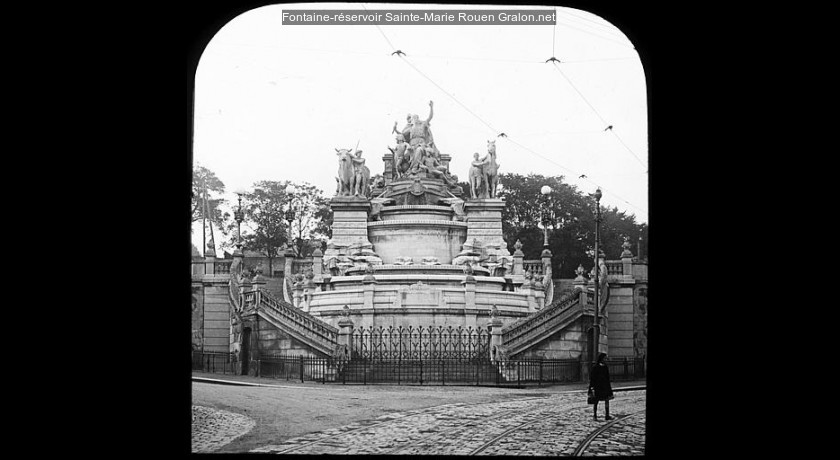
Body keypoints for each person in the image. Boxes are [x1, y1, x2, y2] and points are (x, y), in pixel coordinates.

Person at [588, 352, 614, 420]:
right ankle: (595, 415)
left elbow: (607, 377)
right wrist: (591, 387)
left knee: (607, 400)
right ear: (601, 358)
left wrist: (609, 387)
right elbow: (592, 378)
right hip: (598, 386)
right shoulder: (596, 367)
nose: (606, 360)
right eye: (605, 358)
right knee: (596, 401)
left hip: (605, 386)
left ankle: (607, 415)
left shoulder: (605, 367)